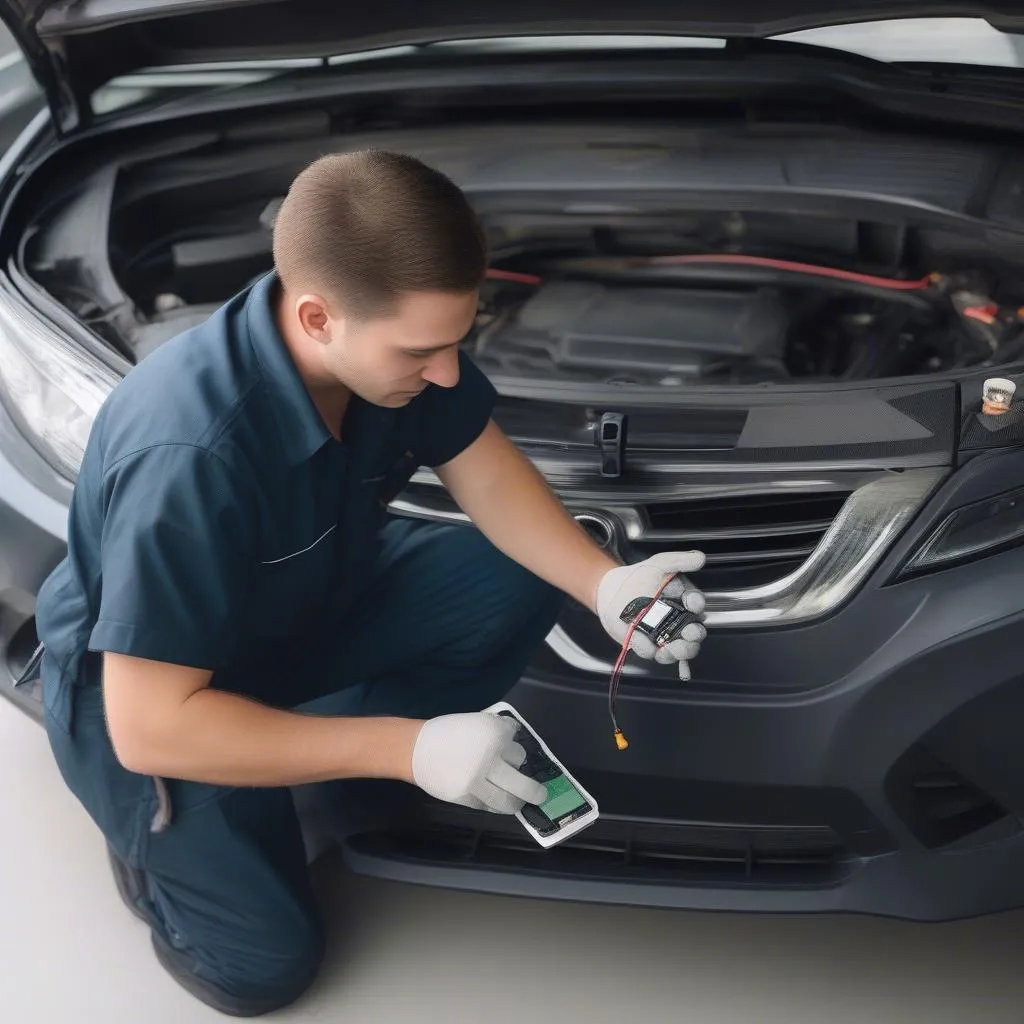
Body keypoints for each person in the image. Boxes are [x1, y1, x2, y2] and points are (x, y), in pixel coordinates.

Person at [33, 150, 708, 1016]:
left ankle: (327, 764)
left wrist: (608, 588)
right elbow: (148, 725)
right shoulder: (190, 455)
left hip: (305, 599)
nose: (449, 375)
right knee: (260, 971)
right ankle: (152, 854)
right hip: (158, 695)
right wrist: (409, 748)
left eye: (460, 341)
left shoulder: (388, 352)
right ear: (317, 318)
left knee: (532, 571)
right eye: (424, 351)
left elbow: (489, 476)